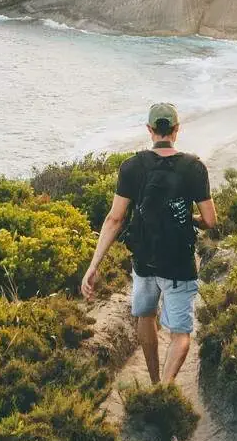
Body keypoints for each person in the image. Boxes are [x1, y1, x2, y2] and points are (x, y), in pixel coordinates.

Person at [81, 102, 215, 385]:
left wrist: (93, 265)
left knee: (145, 315)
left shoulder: (131, 167)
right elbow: (210, 220)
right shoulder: (194, 167)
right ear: (176, 130)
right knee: (180, 335)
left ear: (150, 130)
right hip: (179, 263)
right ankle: (165, 389)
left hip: (144, 262)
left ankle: (155, 381)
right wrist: (190, 219)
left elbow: (114, 220)